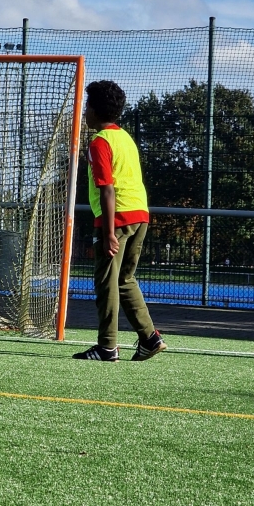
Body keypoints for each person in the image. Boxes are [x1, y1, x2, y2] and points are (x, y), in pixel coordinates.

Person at [73, 79, 166, 362]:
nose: (84, 112)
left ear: (94, 110)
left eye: (87, 106)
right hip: (140, 214)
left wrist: (109, 232)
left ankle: (107, 347)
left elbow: (107, 188)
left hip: (118, 218)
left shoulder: (100, 141)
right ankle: (150, 338)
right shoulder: (125, 138)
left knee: (106, 282)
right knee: (125, 279)